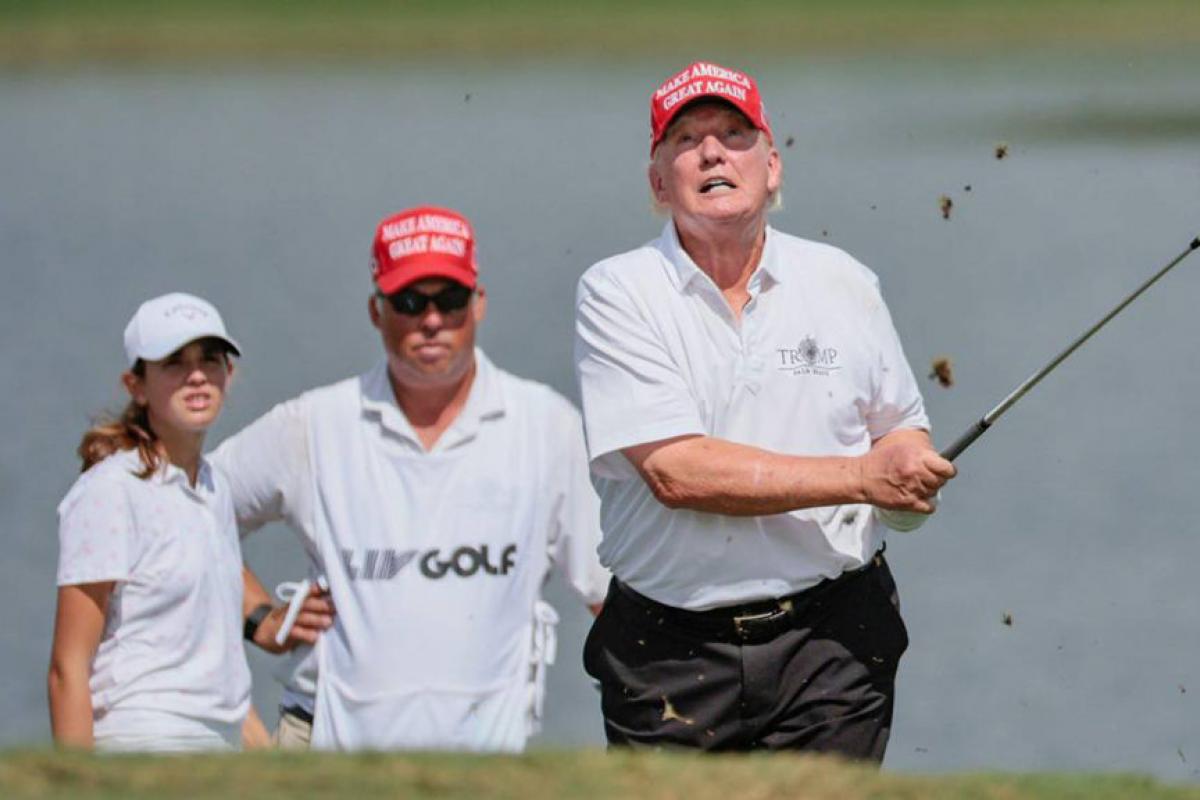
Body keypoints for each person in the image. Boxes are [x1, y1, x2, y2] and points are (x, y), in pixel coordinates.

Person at [573, 61, 957, 760]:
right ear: (659, 182)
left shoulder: (843, 280)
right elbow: (678, 473)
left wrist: (905, 466)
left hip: (833, 641)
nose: (713, 151)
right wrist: (863, 480)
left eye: (734, 134)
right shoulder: (618, 292)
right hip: (668, 652)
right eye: (686, 139)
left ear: (772, 166)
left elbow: (899, 425)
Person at [212, 205, 608, 752]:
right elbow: (182, 509)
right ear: (377, 312)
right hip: (324, 745)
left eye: (448, 300)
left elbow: (609, 589)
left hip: (489, 760)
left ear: (479, 305)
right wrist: (259, 618)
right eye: (408, 301)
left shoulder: (546, 426)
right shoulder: (314, 424)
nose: (431, 320)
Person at [48, 292, 252, 752]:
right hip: (141, 743)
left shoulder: (214, 486)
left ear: (229, 374)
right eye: (174, 363)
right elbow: (68, 668)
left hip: (219, 746)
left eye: (210, 360)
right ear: (136, 386)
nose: (197, 376)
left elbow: (215, 655)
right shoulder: (110, 491)